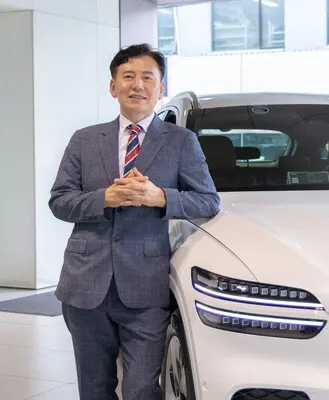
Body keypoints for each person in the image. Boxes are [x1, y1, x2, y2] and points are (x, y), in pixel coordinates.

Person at [48, 43, 220, 400]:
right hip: (85, 285)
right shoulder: (84, 140)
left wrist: (161, 197)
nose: (137, 85)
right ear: (113, 86)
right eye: (128, 77)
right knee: (94, 388)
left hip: (146, 287)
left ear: (161, 88)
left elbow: (208, 201)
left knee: (141, 388)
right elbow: (59, 201)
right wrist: (103, 198)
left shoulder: (181, 142)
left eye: (147, 77)